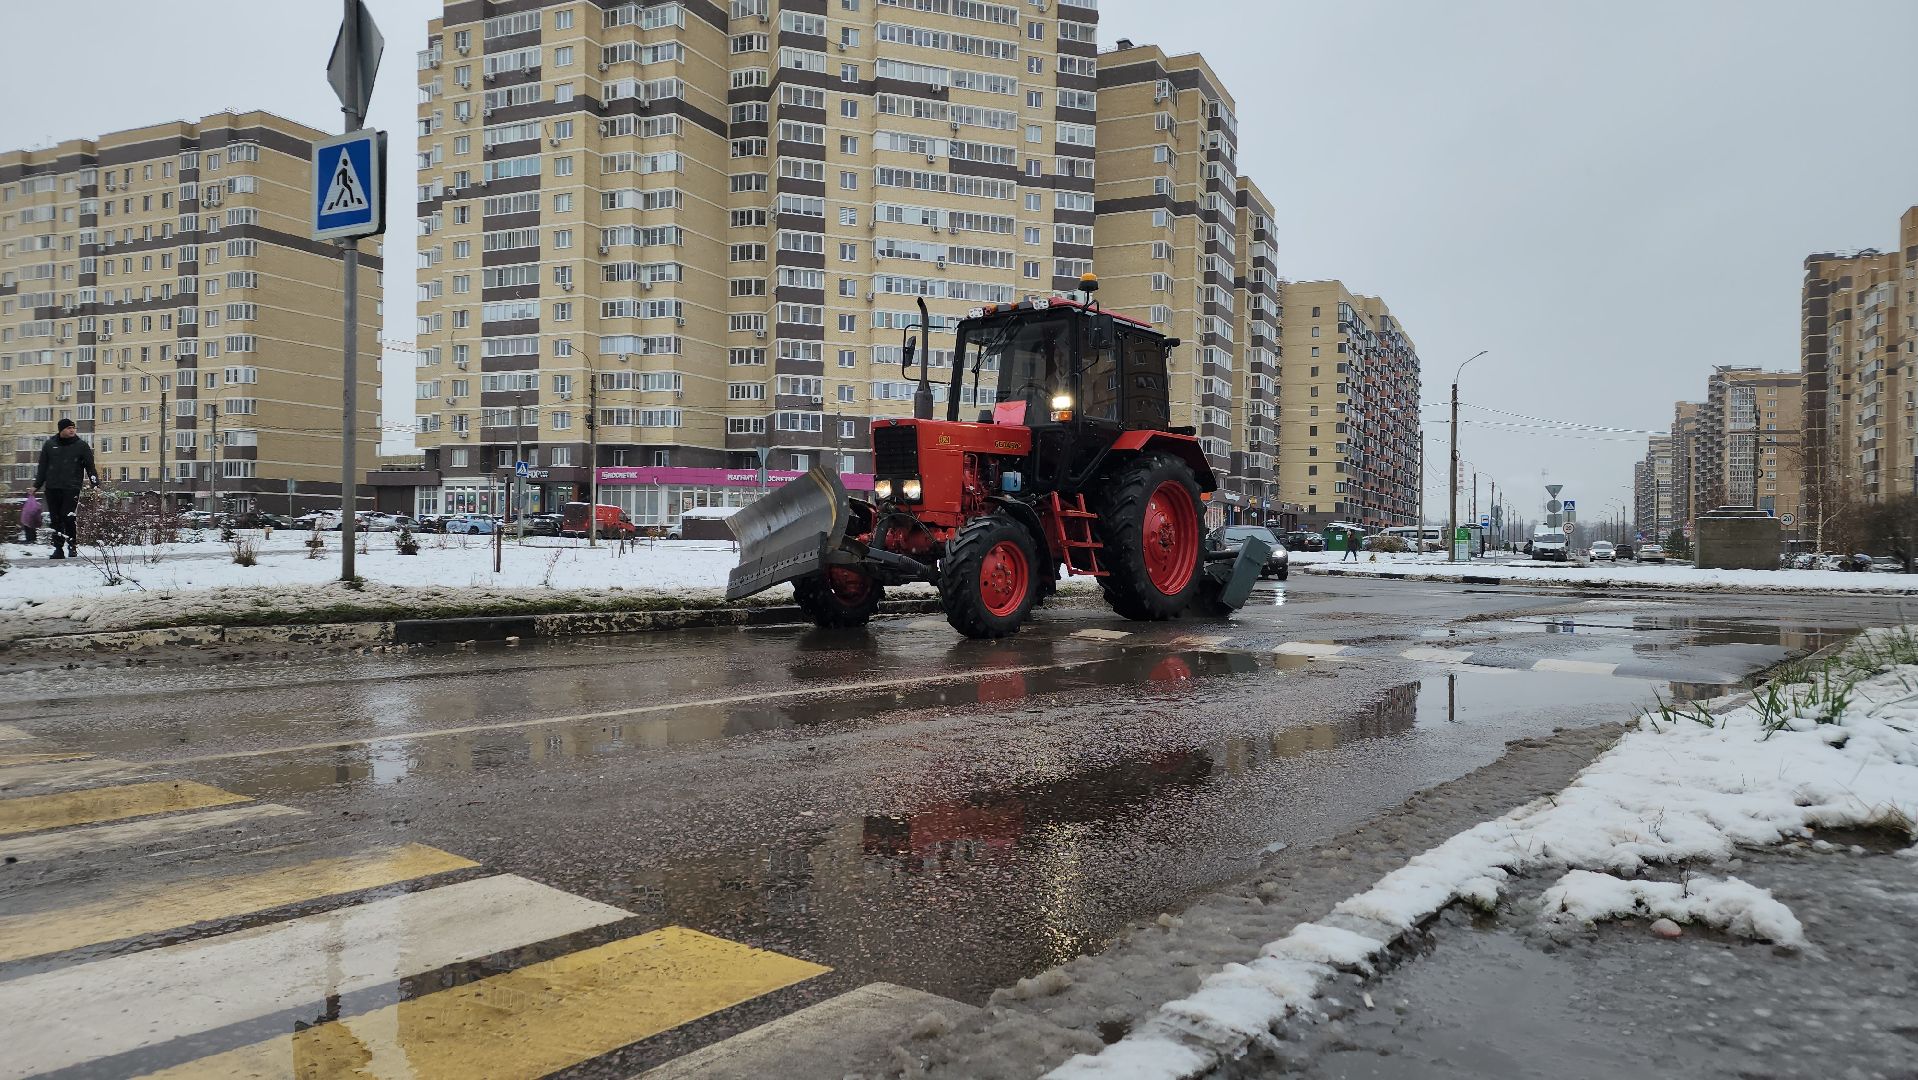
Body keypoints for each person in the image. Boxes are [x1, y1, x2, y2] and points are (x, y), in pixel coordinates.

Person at [31, 418, 100, 560]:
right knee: (55, 519)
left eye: (73, 428)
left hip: (71, 487)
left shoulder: (81, 446)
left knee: (67, 516)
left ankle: (72, 546)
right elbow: (42, 467)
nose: (72, 430)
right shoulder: (50, 445)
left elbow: (90, 466)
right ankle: (58, 549)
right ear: (61, 430)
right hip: (52, 488)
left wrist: (95, 484)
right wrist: (36, 486)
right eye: (69, 428)